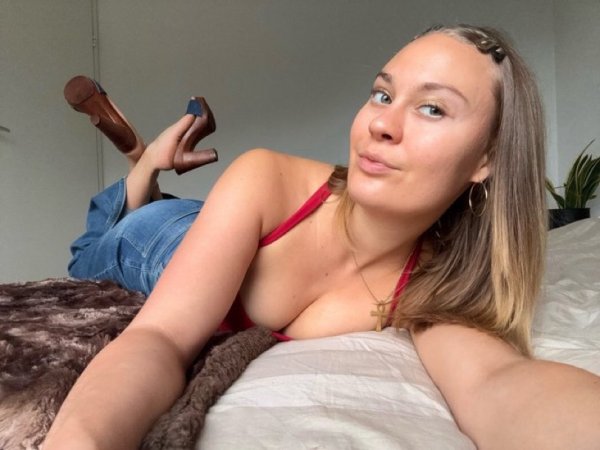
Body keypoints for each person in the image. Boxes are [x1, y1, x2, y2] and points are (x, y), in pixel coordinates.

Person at [45, 24, 600, 449]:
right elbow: (159, 336)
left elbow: (496, 382)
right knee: (90, 253)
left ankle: (146, 161)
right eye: (383, 95)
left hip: (223, 224)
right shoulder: (266, 176)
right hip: (165, 239)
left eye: (432, 108)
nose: (380, 124)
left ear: (487, 159)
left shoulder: (434, 281)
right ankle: (143, 168)